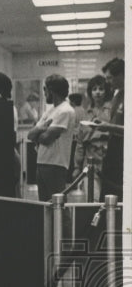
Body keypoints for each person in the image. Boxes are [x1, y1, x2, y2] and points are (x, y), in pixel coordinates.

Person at [28, 74, 76, 202]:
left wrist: (38, 133)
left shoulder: (65, 111)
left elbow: (46, 138)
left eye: (45, 89)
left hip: (56, 164)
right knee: (45, 205)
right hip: (42, 162)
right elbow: (30, 135)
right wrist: (39, 131)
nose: (44, 93)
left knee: (58, 206)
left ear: (51, 90)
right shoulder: (49, 111)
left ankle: (64, 224)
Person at [96, 57, 124, 200]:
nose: (107, 82)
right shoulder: (117, 94)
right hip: (113, 146)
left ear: (122, 75)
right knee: (107, 190)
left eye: (110, 78)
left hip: (123, 149)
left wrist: (109, 127)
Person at [78, 74, 112, 186]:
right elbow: (80, 142)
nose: (97, 92)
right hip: (90, 162)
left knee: (109, 200)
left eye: (101, 89)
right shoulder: (85, 114)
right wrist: (76, 167)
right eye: (94, 89)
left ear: (106, 91)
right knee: (92, 199)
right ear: (90, 92)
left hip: (109, 161)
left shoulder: (112, 111)